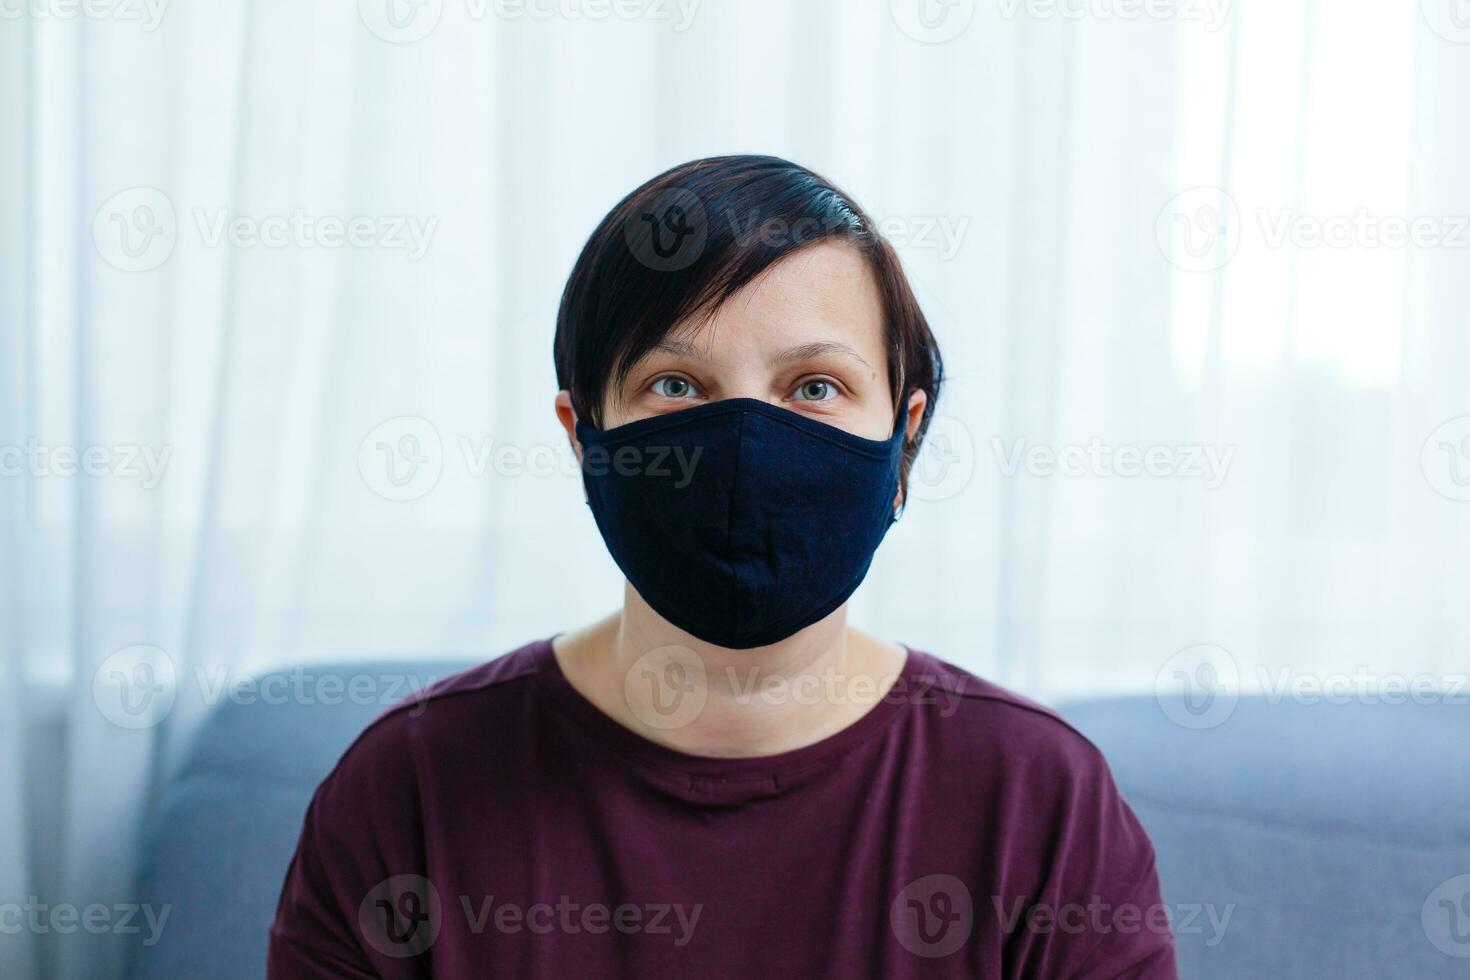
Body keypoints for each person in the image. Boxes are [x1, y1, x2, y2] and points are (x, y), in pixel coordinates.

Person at [267, 155, 1178, 978]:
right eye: (677, 386)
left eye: (814, 387)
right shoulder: (410, 790)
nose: (746, 443)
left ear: (901, 443)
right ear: (584, 437)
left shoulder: (1040, 804)